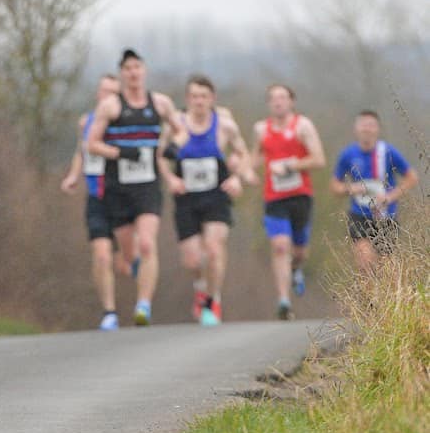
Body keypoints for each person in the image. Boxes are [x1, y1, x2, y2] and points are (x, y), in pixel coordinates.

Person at [86, 49, 186, 327]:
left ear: (144, 71)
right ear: (122, 74)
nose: (133, 73)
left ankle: (143, 305)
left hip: (147, 186)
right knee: (129, 254)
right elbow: (92, 144)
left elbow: (181, 129)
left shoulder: (161, 103)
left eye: (137, 67)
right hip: (118, 187)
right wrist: (119, 153)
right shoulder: (110, 107)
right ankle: (136, 274)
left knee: (146, 243)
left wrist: (174, 146)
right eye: (128, 68)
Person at [159, 75, 257, 326]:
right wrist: (170, 179)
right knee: (192, 259)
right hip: (186, 196)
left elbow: (244, 153)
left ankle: (212, 301)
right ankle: (201, 285)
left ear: (212, 99)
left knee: (213, 249)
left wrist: (236, 178)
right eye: (194, 96)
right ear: (187, 99)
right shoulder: (176, 126)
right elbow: (159, 156)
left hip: (216, 194)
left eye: (204, 96)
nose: (199, 101)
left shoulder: (224, 126)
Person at [60, 74, 141, 331]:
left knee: (128, 262)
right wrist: (73, 176)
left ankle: (140, 280)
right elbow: (81, 152)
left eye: (113, 93)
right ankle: (109, 312)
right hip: (96, 198)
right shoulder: (86, 122)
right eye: (104, 91)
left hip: (122, 197)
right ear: (98, 94)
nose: (107, 97)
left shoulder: (122, 124)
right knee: (102, 255)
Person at [250, 84, 325, 320]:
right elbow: (256, 156)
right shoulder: (261, 129)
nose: (278, 102)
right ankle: (284, 301)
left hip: (300, 195)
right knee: (280, 246)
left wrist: (292, 165)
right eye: (273, 98)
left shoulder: (303, 126)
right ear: (268, 104)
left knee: (300, 250)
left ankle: (296, 268)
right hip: (274, 197)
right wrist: (244, 171)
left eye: (282, 97)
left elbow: (319, 159)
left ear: (291, 101)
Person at [330, 110, 419, 275]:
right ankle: (367, 299)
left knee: (388, 268)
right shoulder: (348, 155)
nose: (367, 129)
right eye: (363, 124)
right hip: (359, 214)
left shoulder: (388, 152)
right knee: (364, 262)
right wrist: (352, 188)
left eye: (371, 125)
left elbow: (411, 177)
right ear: (356, 128)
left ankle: (384, 299)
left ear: (378, 129)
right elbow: (335, 186)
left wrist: (390, 196)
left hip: (386, 216)